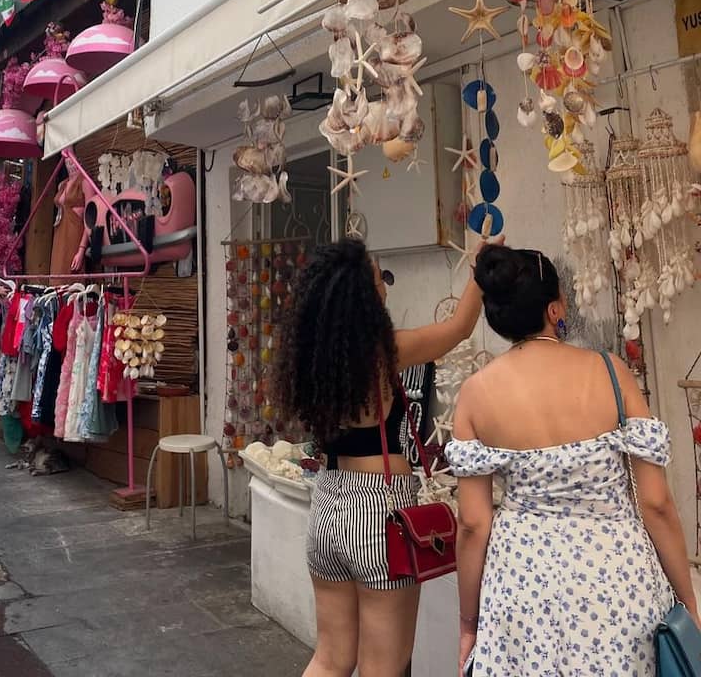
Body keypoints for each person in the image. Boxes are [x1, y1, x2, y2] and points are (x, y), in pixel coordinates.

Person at [447, 244, 698, 676]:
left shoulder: (475, 394)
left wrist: (469, 623)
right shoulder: (611, 372)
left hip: (522, 586)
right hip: (616, 581)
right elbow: (656, 504)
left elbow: (472, 524)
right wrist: (688, 601)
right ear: (555, 308)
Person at [275, 237, 486, 677]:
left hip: (327, 503)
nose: (385, 287)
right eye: (379, 279)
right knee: (383, 668)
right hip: (378, 511)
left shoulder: (311, 358)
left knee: (330, 659)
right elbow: (460, 327)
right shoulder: (386, 351)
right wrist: (480, 267)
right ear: (362, 294)